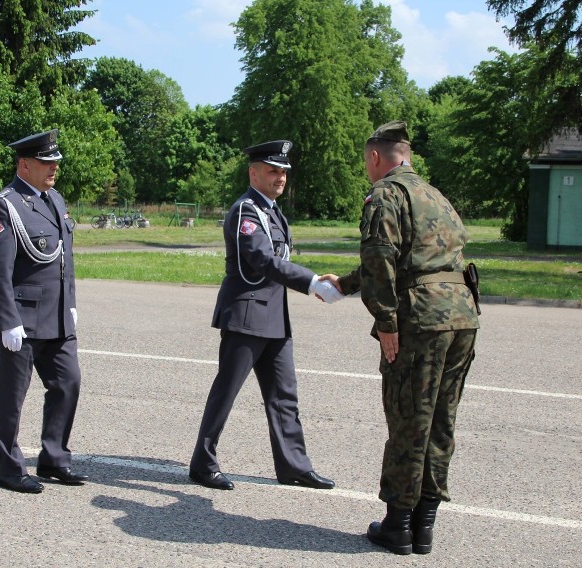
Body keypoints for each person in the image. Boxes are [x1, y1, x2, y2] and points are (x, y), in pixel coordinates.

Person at [322, 121, 480, 555]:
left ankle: (397, 526)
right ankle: (424, 527)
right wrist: (347, 283)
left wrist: (387, 323)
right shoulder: (434, 195)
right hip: (462, 317)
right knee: (440, 422)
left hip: (420, 322)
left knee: (409, 419)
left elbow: (380, 256)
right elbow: (421, 260)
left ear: (376, 157)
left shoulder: (386, 194)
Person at [189, 139, 342, 491]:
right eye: (273, 170)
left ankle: (293, 466)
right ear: (253, 172)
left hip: (273, 316)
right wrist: (313, 282)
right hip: (246, 315)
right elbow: (262, 261)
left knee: (284, 395)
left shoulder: (272, 211)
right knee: (226, 392)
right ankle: (203, 462)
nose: (280, 177)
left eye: (284, 171)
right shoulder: (246, 211)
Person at [0, 128, 87, 494]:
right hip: (21, 321)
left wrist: (69, 306)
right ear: (25, 165)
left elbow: (64, 261)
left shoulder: (53, 199)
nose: (53, 168)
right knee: (13, 396)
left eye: (55, 161)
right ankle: (9, 467)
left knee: (68, 383)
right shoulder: (5, 204)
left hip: (55, 318)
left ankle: (54, 459)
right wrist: (7, 321)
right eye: (46, 162)